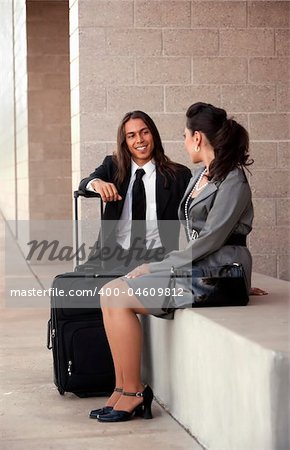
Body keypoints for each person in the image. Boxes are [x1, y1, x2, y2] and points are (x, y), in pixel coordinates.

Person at [93, 102, 258, 423]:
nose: (182, 142)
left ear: (198, 138)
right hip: (203, 270)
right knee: (110, 292)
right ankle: (123, 388)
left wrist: (157, 266)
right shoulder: (200, 176)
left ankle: (136, 393)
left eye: (185, 136)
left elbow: (212, 238)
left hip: (220, 275)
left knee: (118, 294)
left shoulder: (233, 180)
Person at [79, 110, 192, 272]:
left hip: (158, 258)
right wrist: (97, 183)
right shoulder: (113, 166)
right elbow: (85, 183)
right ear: (125, 141)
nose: (139, 140)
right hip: (114, 255)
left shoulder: (178, 175)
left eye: (144, 132)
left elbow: (194, 214)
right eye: (131, 135)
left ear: (153, 135)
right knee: (68, 287)